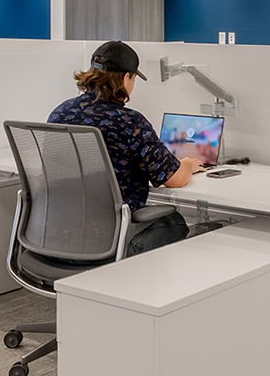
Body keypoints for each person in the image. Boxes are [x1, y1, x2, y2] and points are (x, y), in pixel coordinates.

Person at [47, 41, 204, 255]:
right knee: (173, 220)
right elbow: (175, 179)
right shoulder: (130, 122)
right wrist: (186, 164)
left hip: (60, 231)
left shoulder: (60, 113)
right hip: (111, 237)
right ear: (125, 78)